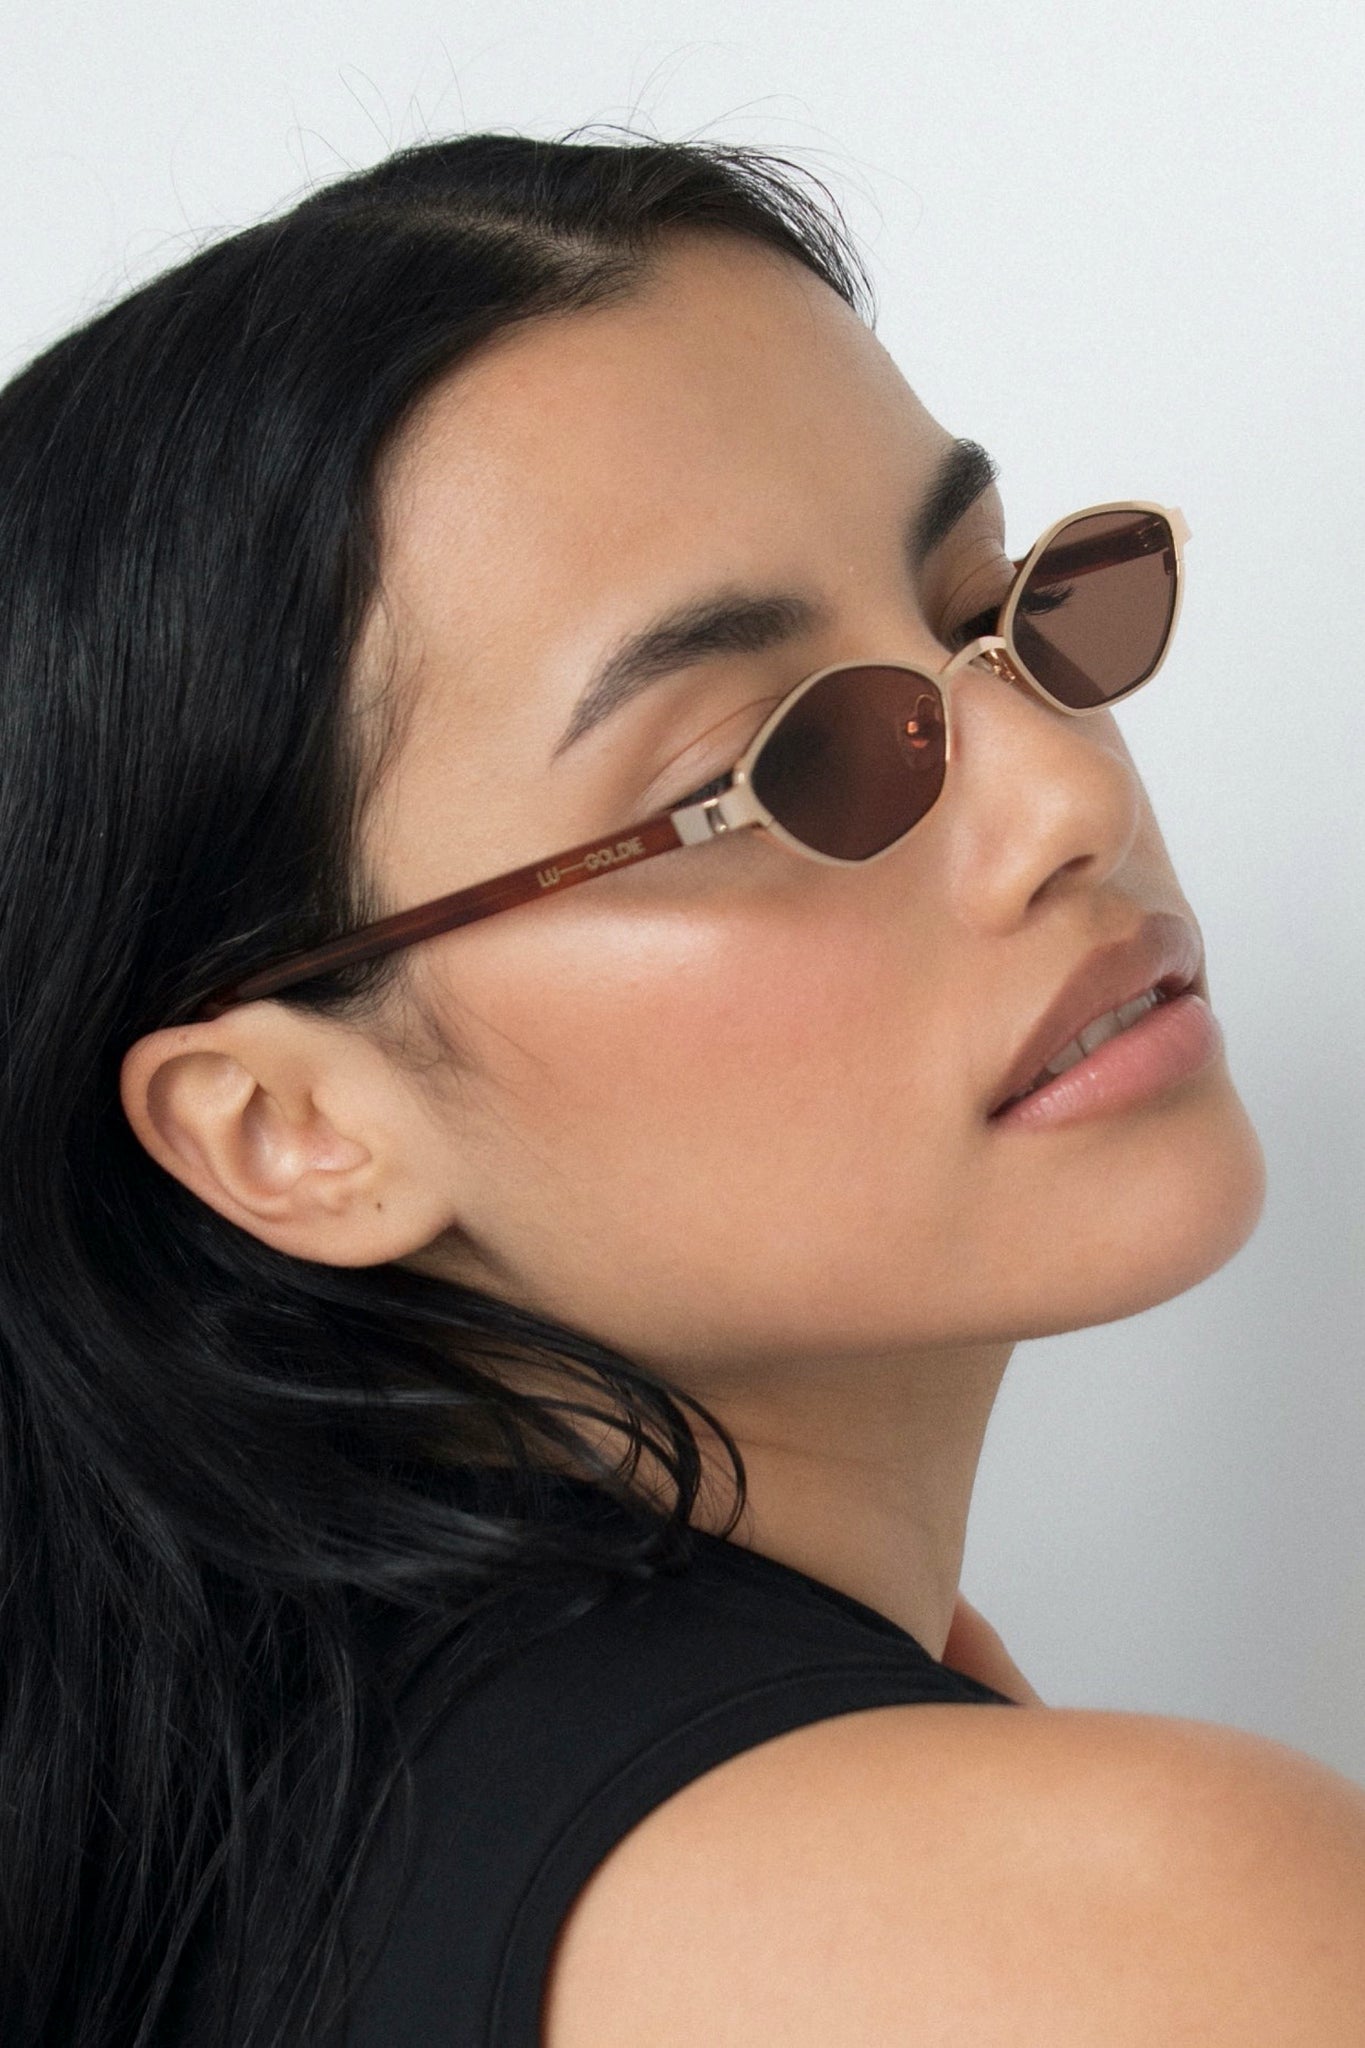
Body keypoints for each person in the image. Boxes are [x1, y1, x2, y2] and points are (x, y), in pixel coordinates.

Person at [1, 126, 1361, 2048]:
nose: (1069, 791)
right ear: (292, 1129)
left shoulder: (215, 1881)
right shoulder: (1114, 1922)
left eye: (992, 609)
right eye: (776, 770)